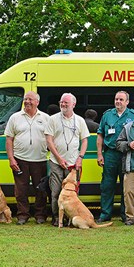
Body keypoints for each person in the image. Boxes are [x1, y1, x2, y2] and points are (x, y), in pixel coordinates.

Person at [4, 91, 50, 225]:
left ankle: (40, 215)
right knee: (20, 190)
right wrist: (11, 159)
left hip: (40, 159)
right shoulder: (15, 117)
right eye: (26, 99)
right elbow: (9, 140)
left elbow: (51, 139)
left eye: (31, 99)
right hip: (20, 159)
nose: (27, 102)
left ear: (37, 102)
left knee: (40, 189)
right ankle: (22, 215)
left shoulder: (46, 118)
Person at [45, 93, 90, 227]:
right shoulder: (52, 119)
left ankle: (71, 219)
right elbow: (49, 140)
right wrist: (59, 158)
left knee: (73, 194)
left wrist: (80, 157)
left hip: (73, 163)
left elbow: (85, 140)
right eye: (61, 102)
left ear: (73, 105)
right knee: (56, 191)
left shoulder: (80, 120)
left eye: (66, 103)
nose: (63, 105)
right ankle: (56, 218)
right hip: (55, 161)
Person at [96, 91, 134, 223]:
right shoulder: (107, 115)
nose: (118, 101)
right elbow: (100, 135)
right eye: (116, 99)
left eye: (121, 99)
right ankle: (105, 213)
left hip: (127, 154)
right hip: (110, 154)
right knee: (107, 185)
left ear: (127, 102)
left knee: (126, 185)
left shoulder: (133, 115)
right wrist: (99, 154)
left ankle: (125, 214)